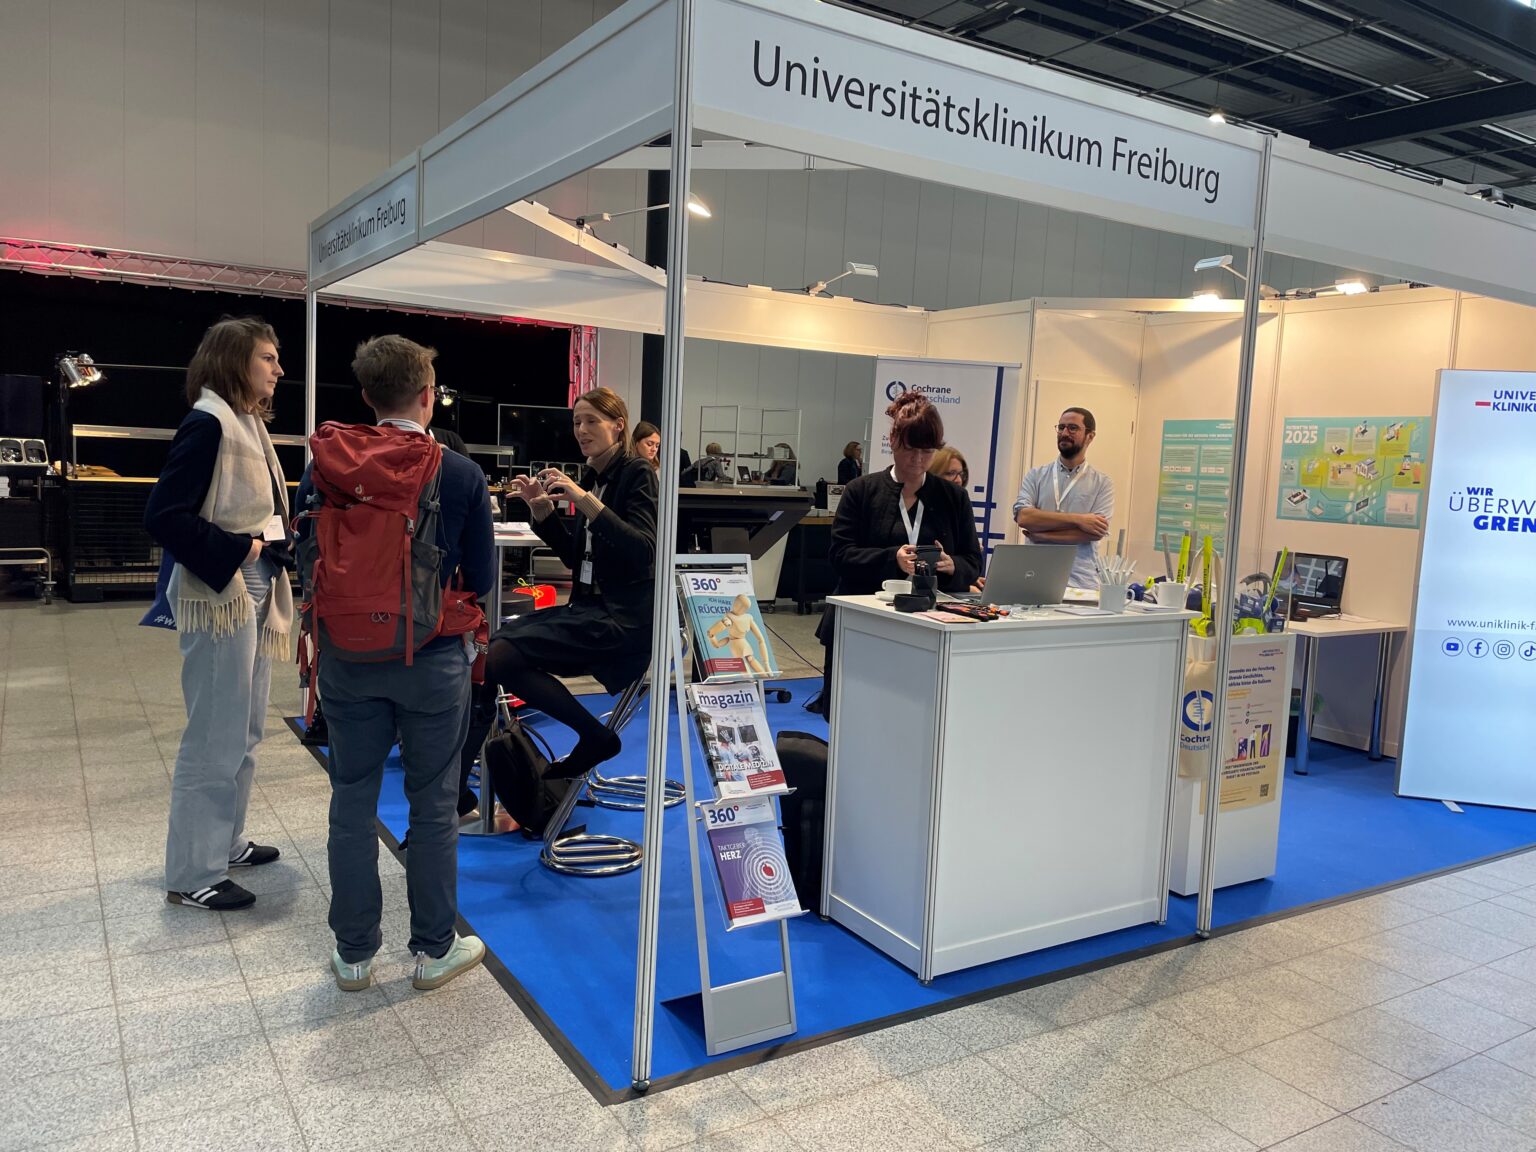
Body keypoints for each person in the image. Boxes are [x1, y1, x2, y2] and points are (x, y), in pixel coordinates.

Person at [298, 335, 495, 993]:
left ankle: (354, 954)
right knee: (432, 805)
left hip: (346, 657)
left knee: (351, 799)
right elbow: (482, 575)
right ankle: (434, 949)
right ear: (427, 396)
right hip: (431, 655)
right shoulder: (459, 473)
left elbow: (304, 553)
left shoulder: (326, 466)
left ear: (367, 397)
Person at [145, 316, 293, 912]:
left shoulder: (246, 423)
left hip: (250, 584)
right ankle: (192, 873)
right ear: (234, 361)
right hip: (221, 591)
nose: (278, 369)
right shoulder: (208, 423)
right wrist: (243, 548)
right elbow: (164, 516)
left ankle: (225, 841)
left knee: (246, 727)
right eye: (267, 358)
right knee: (214, 733)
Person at [488, 386, 657, 778]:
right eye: (577, 421)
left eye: (591, 421)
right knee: (491, 652)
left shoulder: (637, 472)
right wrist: (542, 512)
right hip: (589, 611)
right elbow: (575, 558)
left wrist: (585, 501)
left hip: (622, 620)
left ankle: (594, 736)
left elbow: (643, 549)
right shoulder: (594, 477)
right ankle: (473, 775)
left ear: (618, 426)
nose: (581, 430)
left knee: (500, 655)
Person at [811, 392, 982, 714]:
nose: (918, 460)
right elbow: (840, 555)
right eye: (910, 449)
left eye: (927, 451)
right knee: (851, 712)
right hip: (861, 622)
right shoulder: (861, 491)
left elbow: (973, 561)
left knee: (913, 715)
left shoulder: (953, 497)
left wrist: (951, 565)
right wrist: (893, 559)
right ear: (892, 441)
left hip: (929, 626)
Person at [1014, 406, 1113, 589]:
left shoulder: (1102, 483)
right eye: (1061, 427)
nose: (1065, 433)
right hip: (1036, 576)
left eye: (1073, 428)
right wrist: (1079, 520)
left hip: (1080, 582)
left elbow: (1094, 532)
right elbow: (1024, 518)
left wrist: (1041, 535)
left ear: (1090, 436)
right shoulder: (1035, 476)